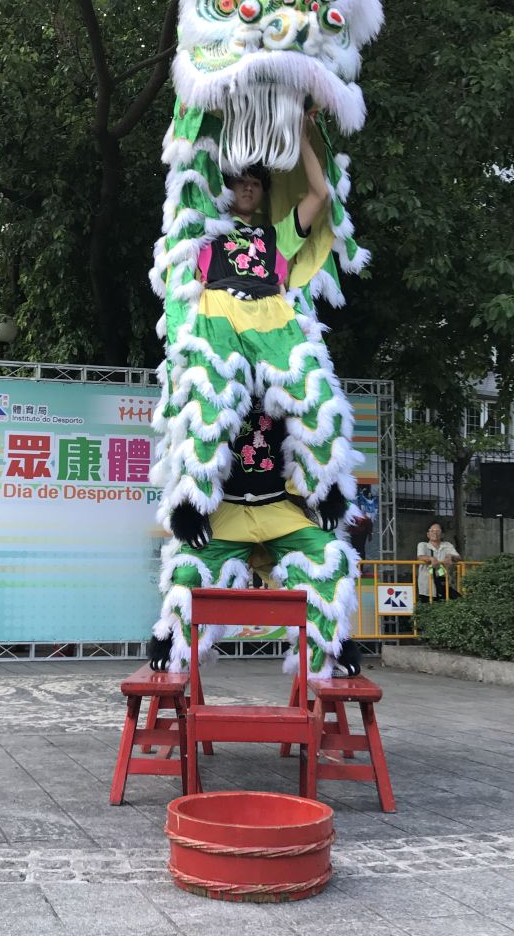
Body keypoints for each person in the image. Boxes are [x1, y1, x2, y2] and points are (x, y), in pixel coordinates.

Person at [149, 137, 361, 678]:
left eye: (255, 182)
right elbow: (183, 193)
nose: (246, 187)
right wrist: (188, 505)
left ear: (264, 191)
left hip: (278, 502)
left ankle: (332, 644)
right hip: (226, 506)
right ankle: (170, 641)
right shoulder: (204, 235)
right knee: (206, 397)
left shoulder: (276, 236)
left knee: (315, 391)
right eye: (239, 180)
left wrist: (305, 133)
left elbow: (319, 194)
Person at [417, 521, 460, 602]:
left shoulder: (447, 545)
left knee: (458, 600)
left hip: (443, 583)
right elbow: (420, 557)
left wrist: (451, 556)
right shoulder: (423, 545)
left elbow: (458, 557)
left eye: (437, 531)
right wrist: (431, 558)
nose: (435, 533)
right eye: (432, 531)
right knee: (428, 606)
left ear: (442, 534)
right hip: (427, 585)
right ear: (428, 534)